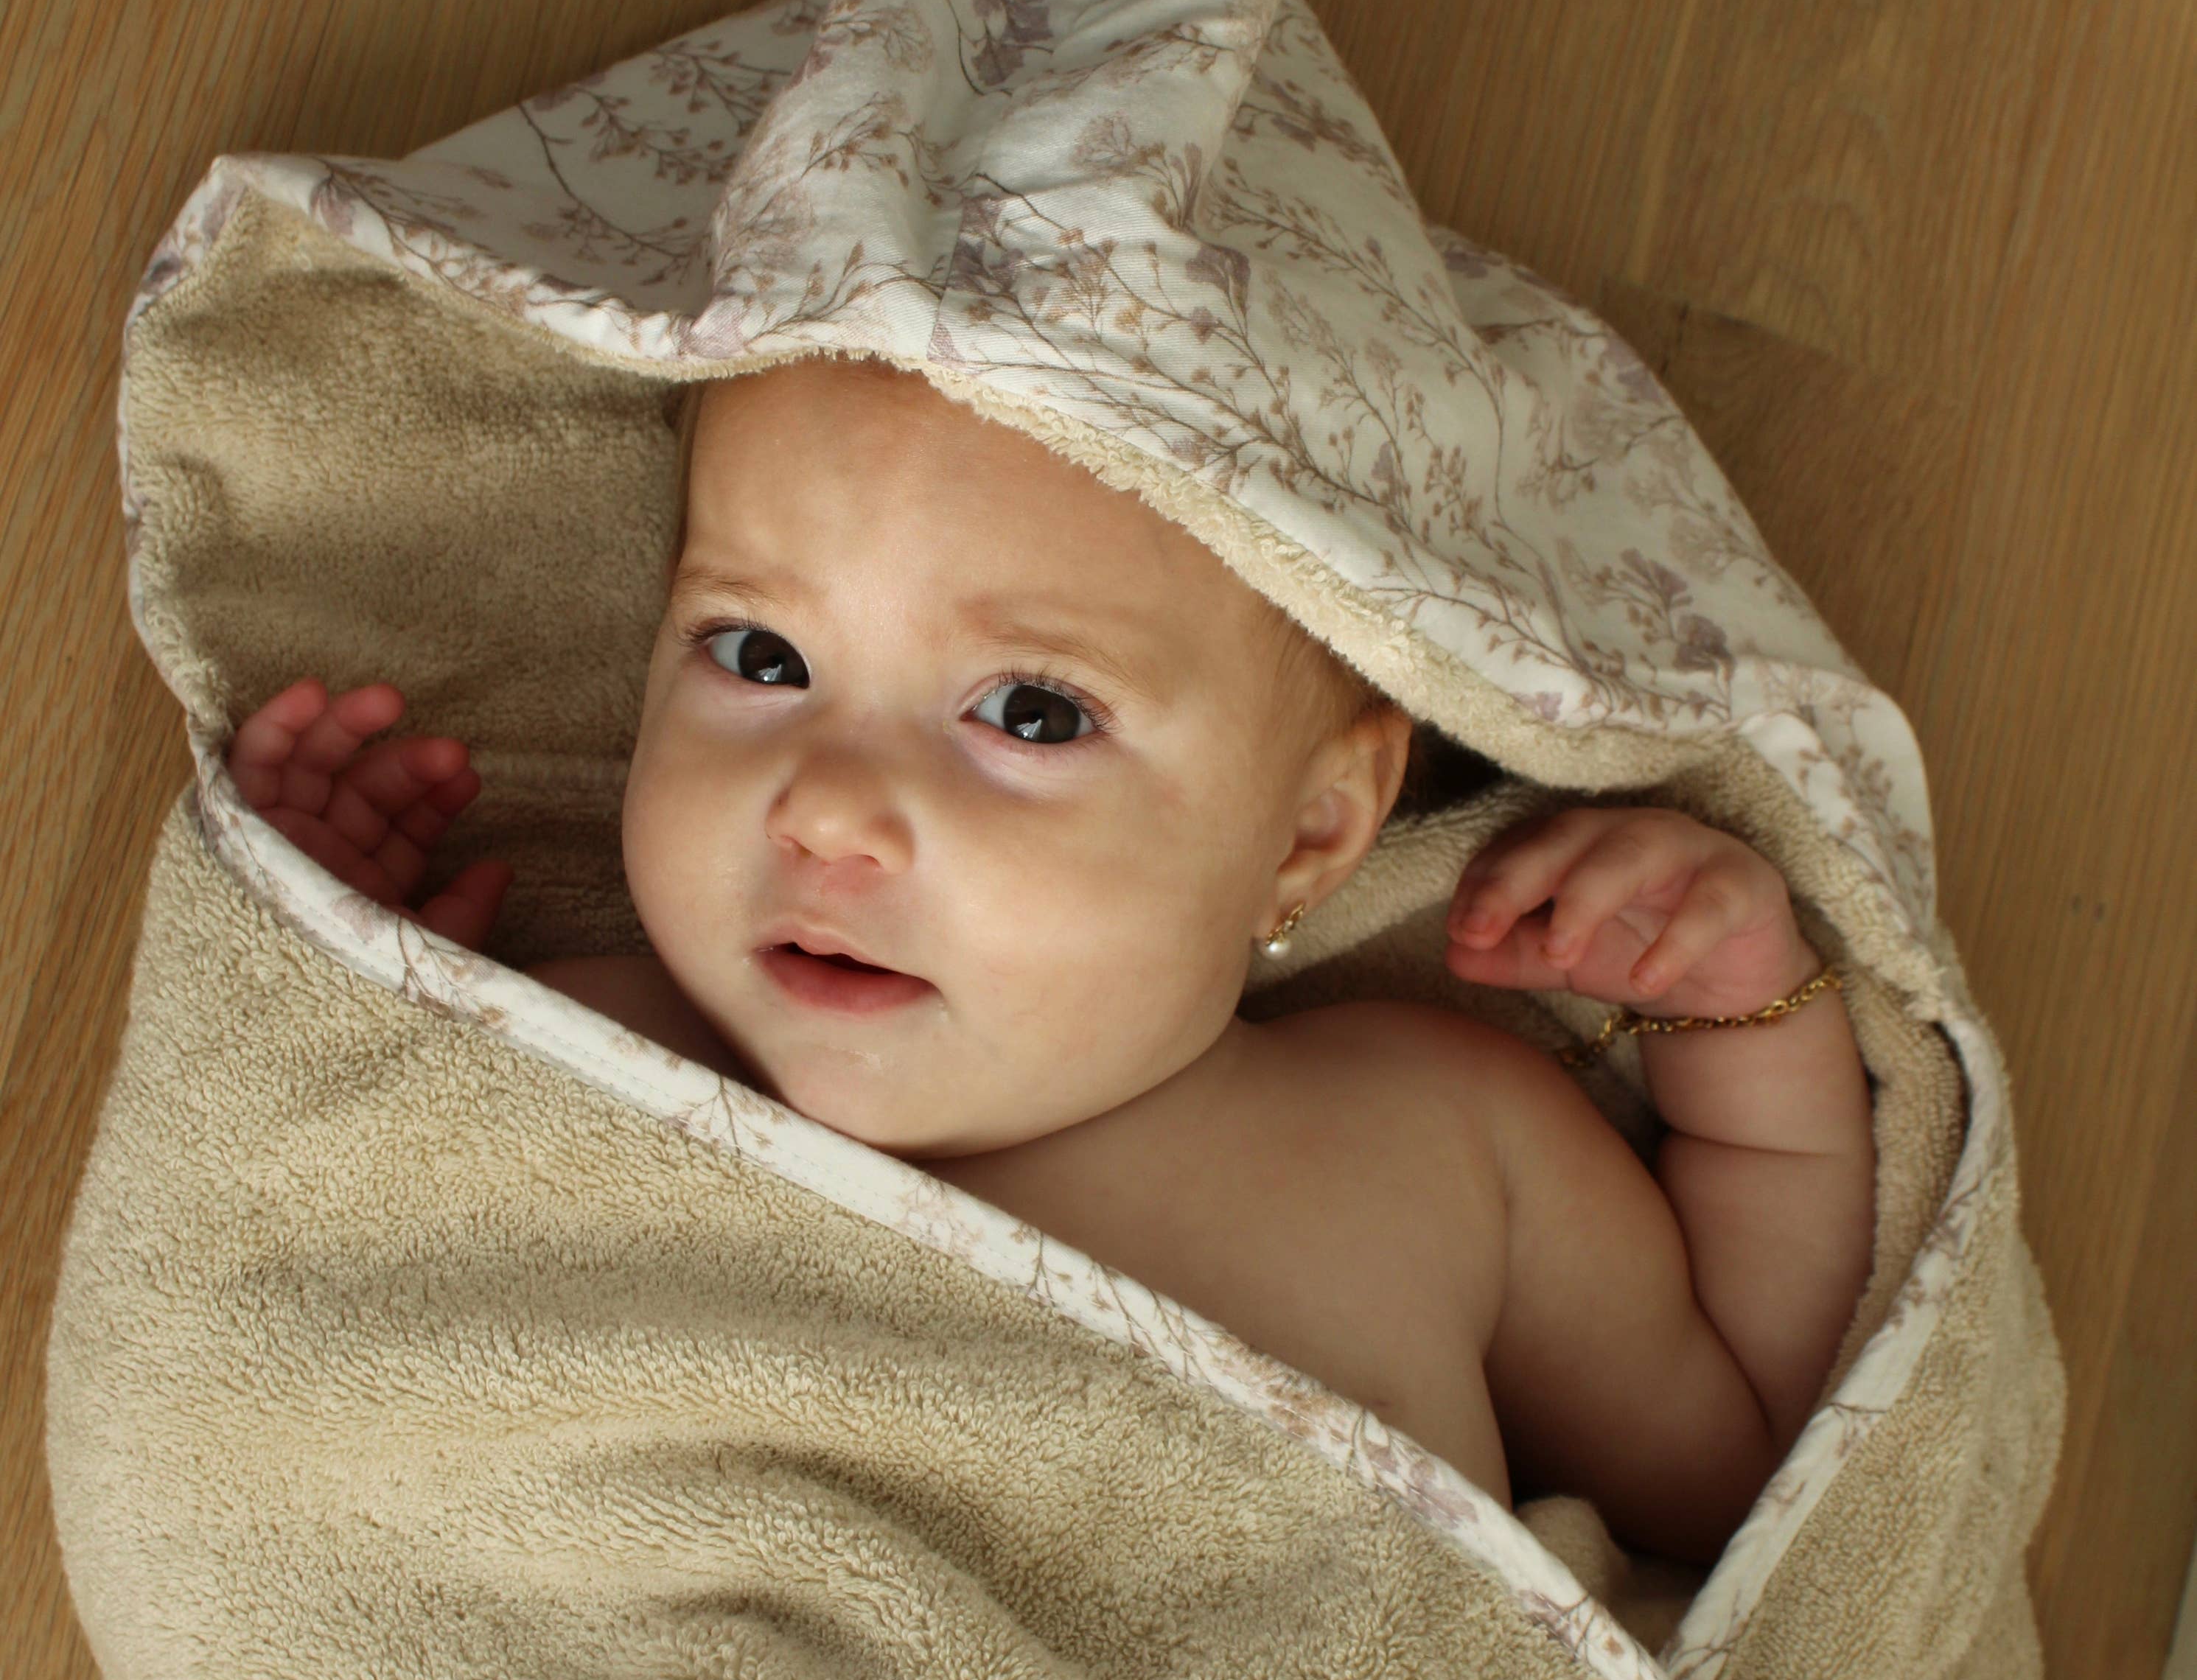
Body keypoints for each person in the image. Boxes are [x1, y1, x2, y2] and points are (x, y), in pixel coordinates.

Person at [225, 354, 1876, 1568]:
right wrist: (324, 959)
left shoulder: (1434, 1142)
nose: (830, 808)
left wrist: (1741, 1018)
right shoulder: (567, 1049)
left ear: (1309, 830)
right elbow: (311, 1340)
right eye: (760, 654)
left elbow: (1735, 1475)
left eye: (1031, 711)